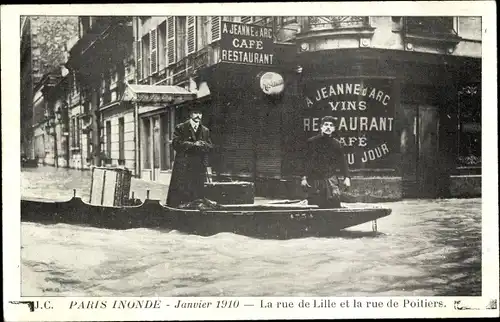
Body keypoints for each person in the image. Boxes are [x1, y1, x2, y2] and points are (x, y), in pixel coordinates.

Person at [166, 105, 214, 207]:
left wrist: (204, 144)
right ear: (190, 114)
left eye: (200, 114)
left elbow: (210, 146)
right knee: (182, 192)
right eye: (196, 113)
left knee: (197, 192)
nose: (198, 116)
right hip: (184, 165)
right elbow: (176, 144)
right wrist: (193, 144)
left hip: (199, 165)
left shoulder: (205, 130)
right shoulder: (181, 127)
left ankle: (195, 210)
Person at [301, 115, 351, 208]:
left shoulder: (337, 144)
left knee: (334, 207)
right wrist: (304, 178)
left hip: (331, 181)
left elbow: (343, 162)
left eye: (331, 125)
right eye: (326, 124)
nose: (328, 127)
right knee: (314, 207)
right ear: (321, 127)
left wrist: (347, 177)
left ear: (333, 129)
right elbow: (306, 161)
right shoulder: (312, 142)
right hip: (315, 181)